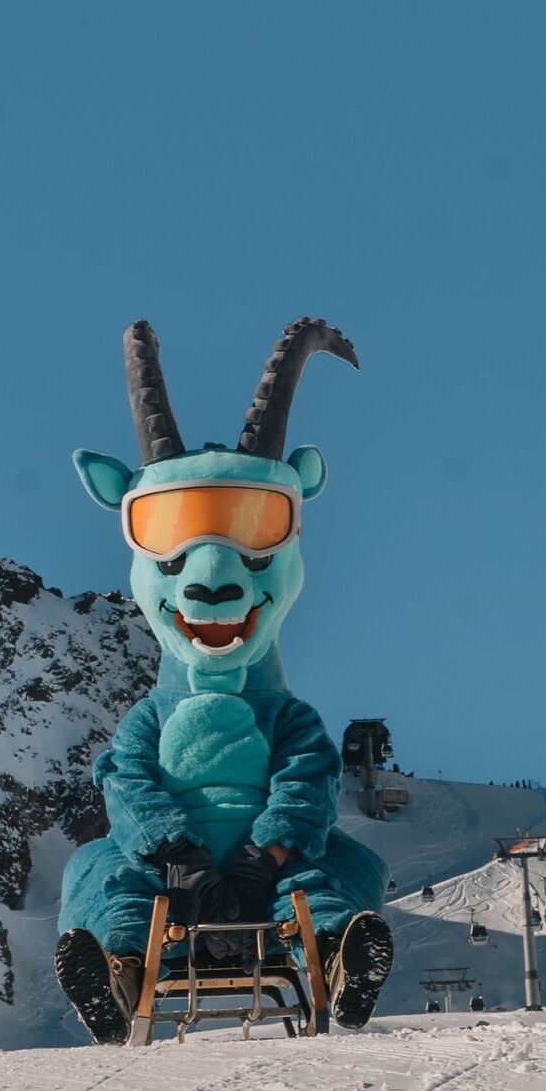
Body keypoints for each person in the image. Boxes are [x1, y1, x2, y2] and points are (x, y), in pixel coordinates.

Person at [55, 319, 394, 1044]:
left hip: (264, 874)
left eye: (258, 524)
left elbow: (308, 782)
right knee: (99, 871)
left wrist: (262, 856)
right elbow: (126, 782)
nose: (211, 574)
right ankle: (117, 966)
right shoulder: (150, 717)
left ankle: (338, 953)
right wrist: (174, 854)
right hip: (170, 879)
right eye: (167, 531)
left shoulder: (286, 717)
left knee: (338, 869)